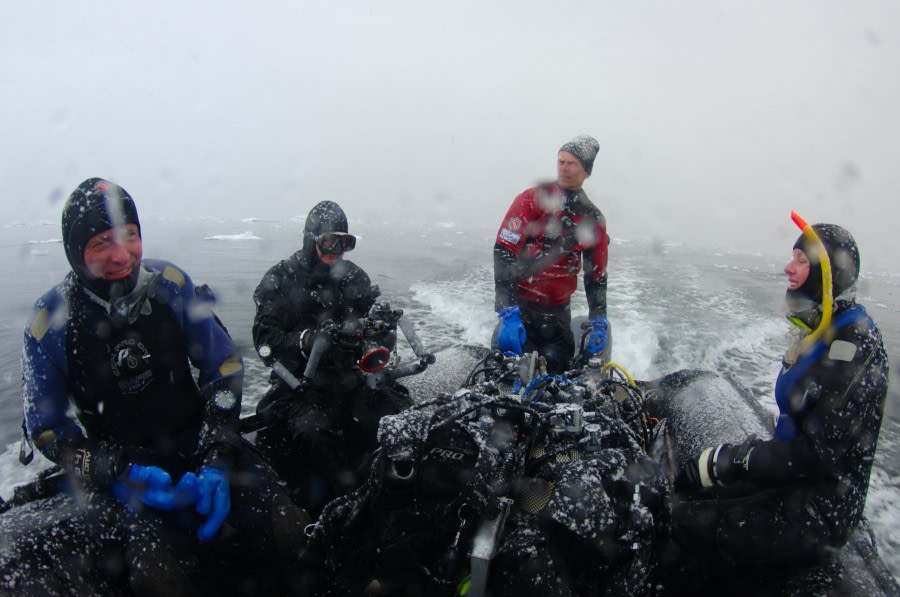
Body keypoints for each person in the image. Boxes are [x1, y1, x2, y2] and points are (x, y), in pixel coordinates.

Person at [19, 178, 309, 595]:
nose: (121, 255)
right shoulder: (48, 324)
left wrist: (220, 449)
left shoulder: (171, 284)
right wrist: (115, 470)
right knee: (162, 579)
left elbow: (224, 367)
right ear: (74, 251)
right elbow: (47, 430)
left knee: (289, 533)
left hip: (202, 444)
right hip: (125, 470)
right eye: (102, 242)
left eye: (130, 236)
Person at [673, 220, 889, 575]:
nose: (788, 268)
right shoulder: (821, 325)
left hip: (819, 511)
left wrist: (733, 459)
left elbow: (815, 455)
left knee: (682, 527)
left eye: (801, 260)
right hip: (790, 482)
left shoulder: (852, 345)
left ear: (828, 273)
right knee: (685, 496)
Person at [252, 200, 413, 517]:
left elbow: (371, 329)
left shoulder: (356, 279)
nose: (337, 249)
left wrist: (377, 331)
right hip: (303, 386)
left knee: (400, 417)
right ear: (311, 239)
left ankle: (395, 494)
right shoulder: (281, 280)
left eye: (345, 242)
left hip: (353, 380)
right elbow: (264, 341)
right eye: (329, 240)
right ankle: (341, 509)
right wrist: (308, 341)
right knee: (314, 435)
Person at [493, 134, 610, 373]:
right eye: (561, 161)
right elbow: (504, 251)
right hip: (521, 312)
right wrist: (508, 311)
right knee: (509, 386)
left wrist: (599, 319)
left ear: (587, 171)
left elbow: (596, 275)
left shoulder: (593, 219)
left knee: (557, 386)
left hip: (558, 319)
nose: (564, 168)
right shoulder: (530, 200)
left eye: (573, 163)